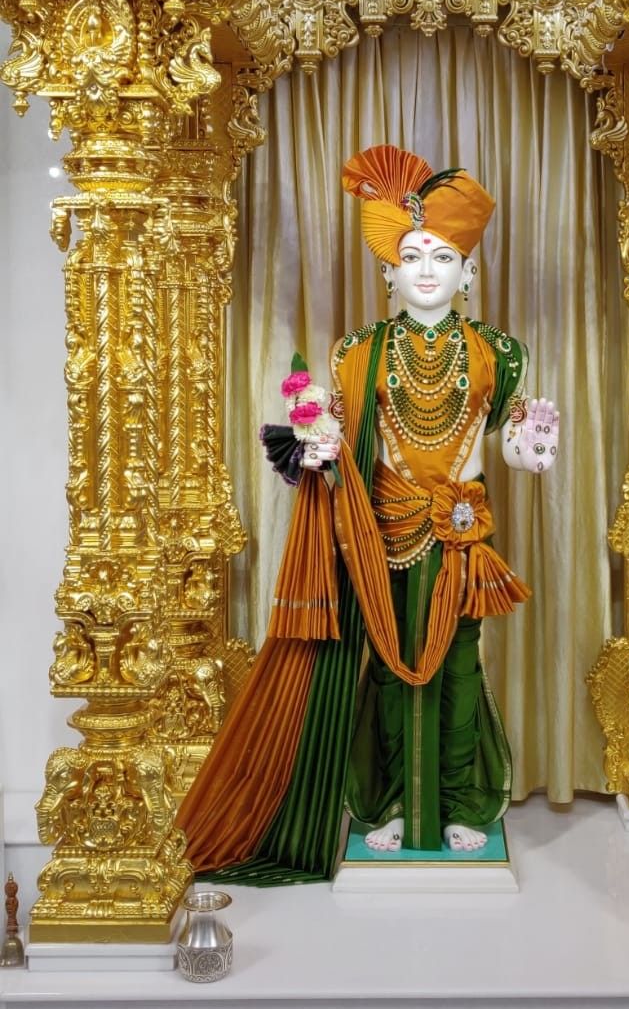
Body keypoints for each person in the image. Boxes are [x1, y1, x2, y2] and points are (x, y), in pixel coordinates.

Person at [179, 146, 559, 880]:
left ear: (468, 273)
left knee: (458, 671)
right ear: (389, 271)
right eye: (412, 255)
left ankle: (454, 805)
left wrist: (532, 445)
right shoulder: (359, 351)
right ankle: (385, 804)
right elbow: (345, 437)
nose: (425, 269)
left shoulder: (498, 354)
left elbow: (508, 442)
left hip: (458, 534)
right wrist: (315, 445)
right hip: (379, 530)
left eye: (443, 257)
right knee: (384, 670)